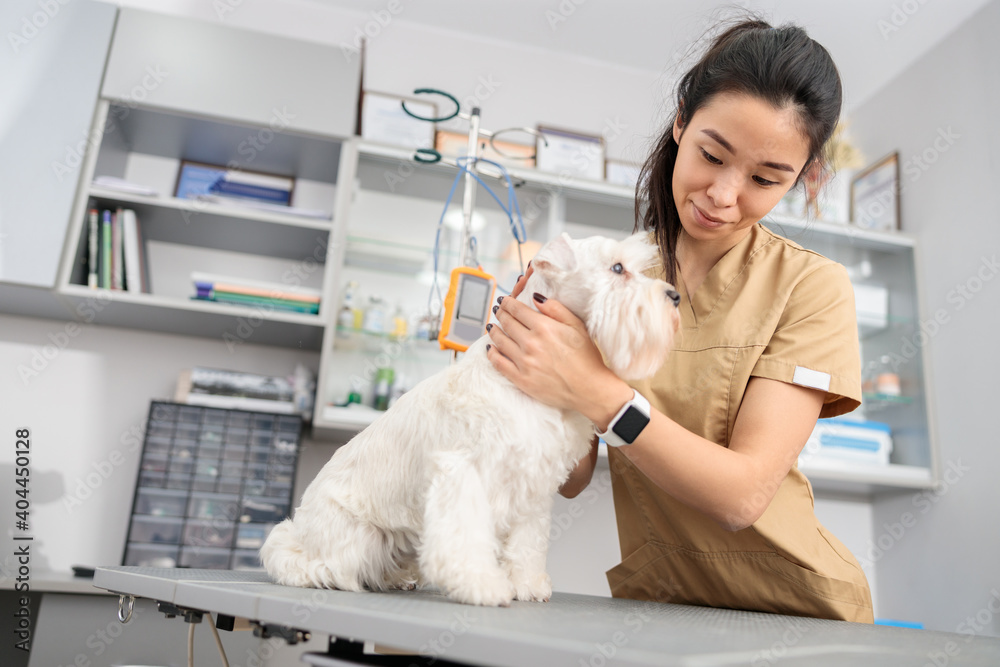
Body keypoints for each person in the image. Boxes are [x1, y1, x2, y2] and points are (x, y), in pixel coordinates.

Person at [486, 17, 874, 623]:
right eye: (711, 155)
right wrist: (529, 369)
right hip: (662, 608)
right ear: (680, 121)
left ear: (802, 179)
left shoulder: (812, 287)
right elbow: (569, 476)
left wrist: (593, 387)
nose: (723, 193)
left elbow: (742, 495)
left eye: (766, 179)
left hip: (796, 611)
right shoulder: (615, 274)